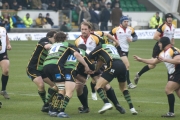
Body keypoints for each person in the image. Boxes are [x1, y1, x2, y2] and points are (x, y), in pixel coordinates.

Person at [75, 21, 125, 114]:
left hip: (95, 63)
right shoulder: (77, 40)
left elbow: (103, 50)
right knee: (78, 86)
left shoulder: (96, 37)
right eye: (82, 29)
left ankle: (116, 104)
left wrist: (100, 65)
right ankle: (85, 107)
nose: (83, 31)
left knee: (102, 83)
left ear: (90, 30)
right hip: (83, 64)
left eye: (85, 29)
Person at [43, 31, 92, 117]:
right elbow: (77, 54)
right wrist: (87, 66)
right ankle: (57, 110)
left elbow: (47, 46)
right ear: (65, 38)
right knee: (64, 90)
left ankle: (49, 107)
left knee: (57, 86)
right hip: (59, 67)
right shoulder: (69, 46)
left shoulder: (54, 45)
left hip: (46, 66)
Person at [133, 37, 180, 117]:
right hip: (173, 73)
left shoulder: (173, 50)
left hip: (177, 72)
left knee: (168, 89)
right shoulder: (162, 53)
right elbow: (153, 61)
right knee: (178, 92)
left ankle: (171, 113)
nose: (158, 44)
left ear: (164, 43)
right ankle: (171, 112)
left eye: (160, 43)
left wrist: (165, 59)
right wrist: (141, 59)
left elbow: (178, 60)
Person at [88, 43, 138, 115]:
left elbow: (90, 56)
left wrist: (90, 67)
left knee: (98, 86)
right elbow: (100, 62)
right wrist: (96, 70)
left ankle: (107, 103)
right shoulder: (111, 47)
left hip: (113, 65)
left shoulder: (100, 47)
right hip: (122, 65)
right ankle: (132, 108)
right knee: (124, 88)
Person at [134, 13, 175, 85]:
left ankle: (170, 82)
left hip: (168, 48)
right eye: (168, 17)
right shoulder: (163, 26)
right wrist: (164, 43)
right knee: (152, 64)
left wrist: (172, 44)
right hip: (159, 47)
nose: (170, 19)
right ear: (165, 19)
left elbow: (172, 37)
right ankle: (139, 74)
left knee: (170, 63)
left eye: (171, 17)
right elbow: (155, 37)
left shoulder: (173, 27)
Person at [26, 31, 57, 112]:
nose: (56, 39)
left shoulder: (54, 45)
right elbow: (47, 46)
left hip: (43, 69)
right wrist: (58, 46)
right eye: (55, 37)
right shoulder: (44, 40)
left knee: (55, 86)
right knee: (41, 85)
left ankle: (48, 104)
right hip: (33, 68)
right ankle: (46, 104)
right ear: (49, 37)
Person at [110, 16, 138, 89]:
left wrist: (132, 39)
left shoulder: (130, 29)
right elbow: (108, 37)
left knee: (121, 67)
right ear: (121, 22)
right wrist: (113, 41)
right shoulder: (116, 29)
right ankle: (129, 83)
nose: (126, 23)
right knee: (127, 65)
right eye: (125, 21)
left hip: (126, 50)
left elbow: (136, 37)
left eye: (127, 21)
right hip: (119, 49)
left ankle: (109, 77)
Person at [0, 26, 11, 99]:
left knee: (6, 71)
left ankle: (3, 90)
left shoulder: (3, 29)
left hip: (3, 53)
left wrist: (8, 44)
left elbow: (6, 37)